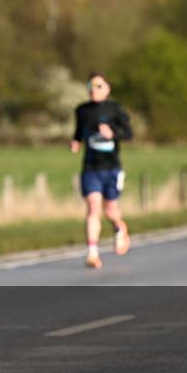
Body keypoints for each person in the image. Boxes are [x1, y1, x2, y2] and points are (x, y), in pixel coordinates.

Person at [70, 72, 132, 269]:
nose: (93, 90)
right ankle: (92, 252)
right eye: (91, 86)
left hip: (111, 167)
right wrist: (76, 142)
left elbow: (129, 133)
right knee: (93, 208)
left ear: (107, 88)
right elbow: (79, 130)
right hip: (91, 167)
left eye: (98, 86)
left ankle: (118, 227)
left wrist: (112, 134)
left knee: (111, 210)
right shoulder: (82, 110)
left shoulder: (115, 110)